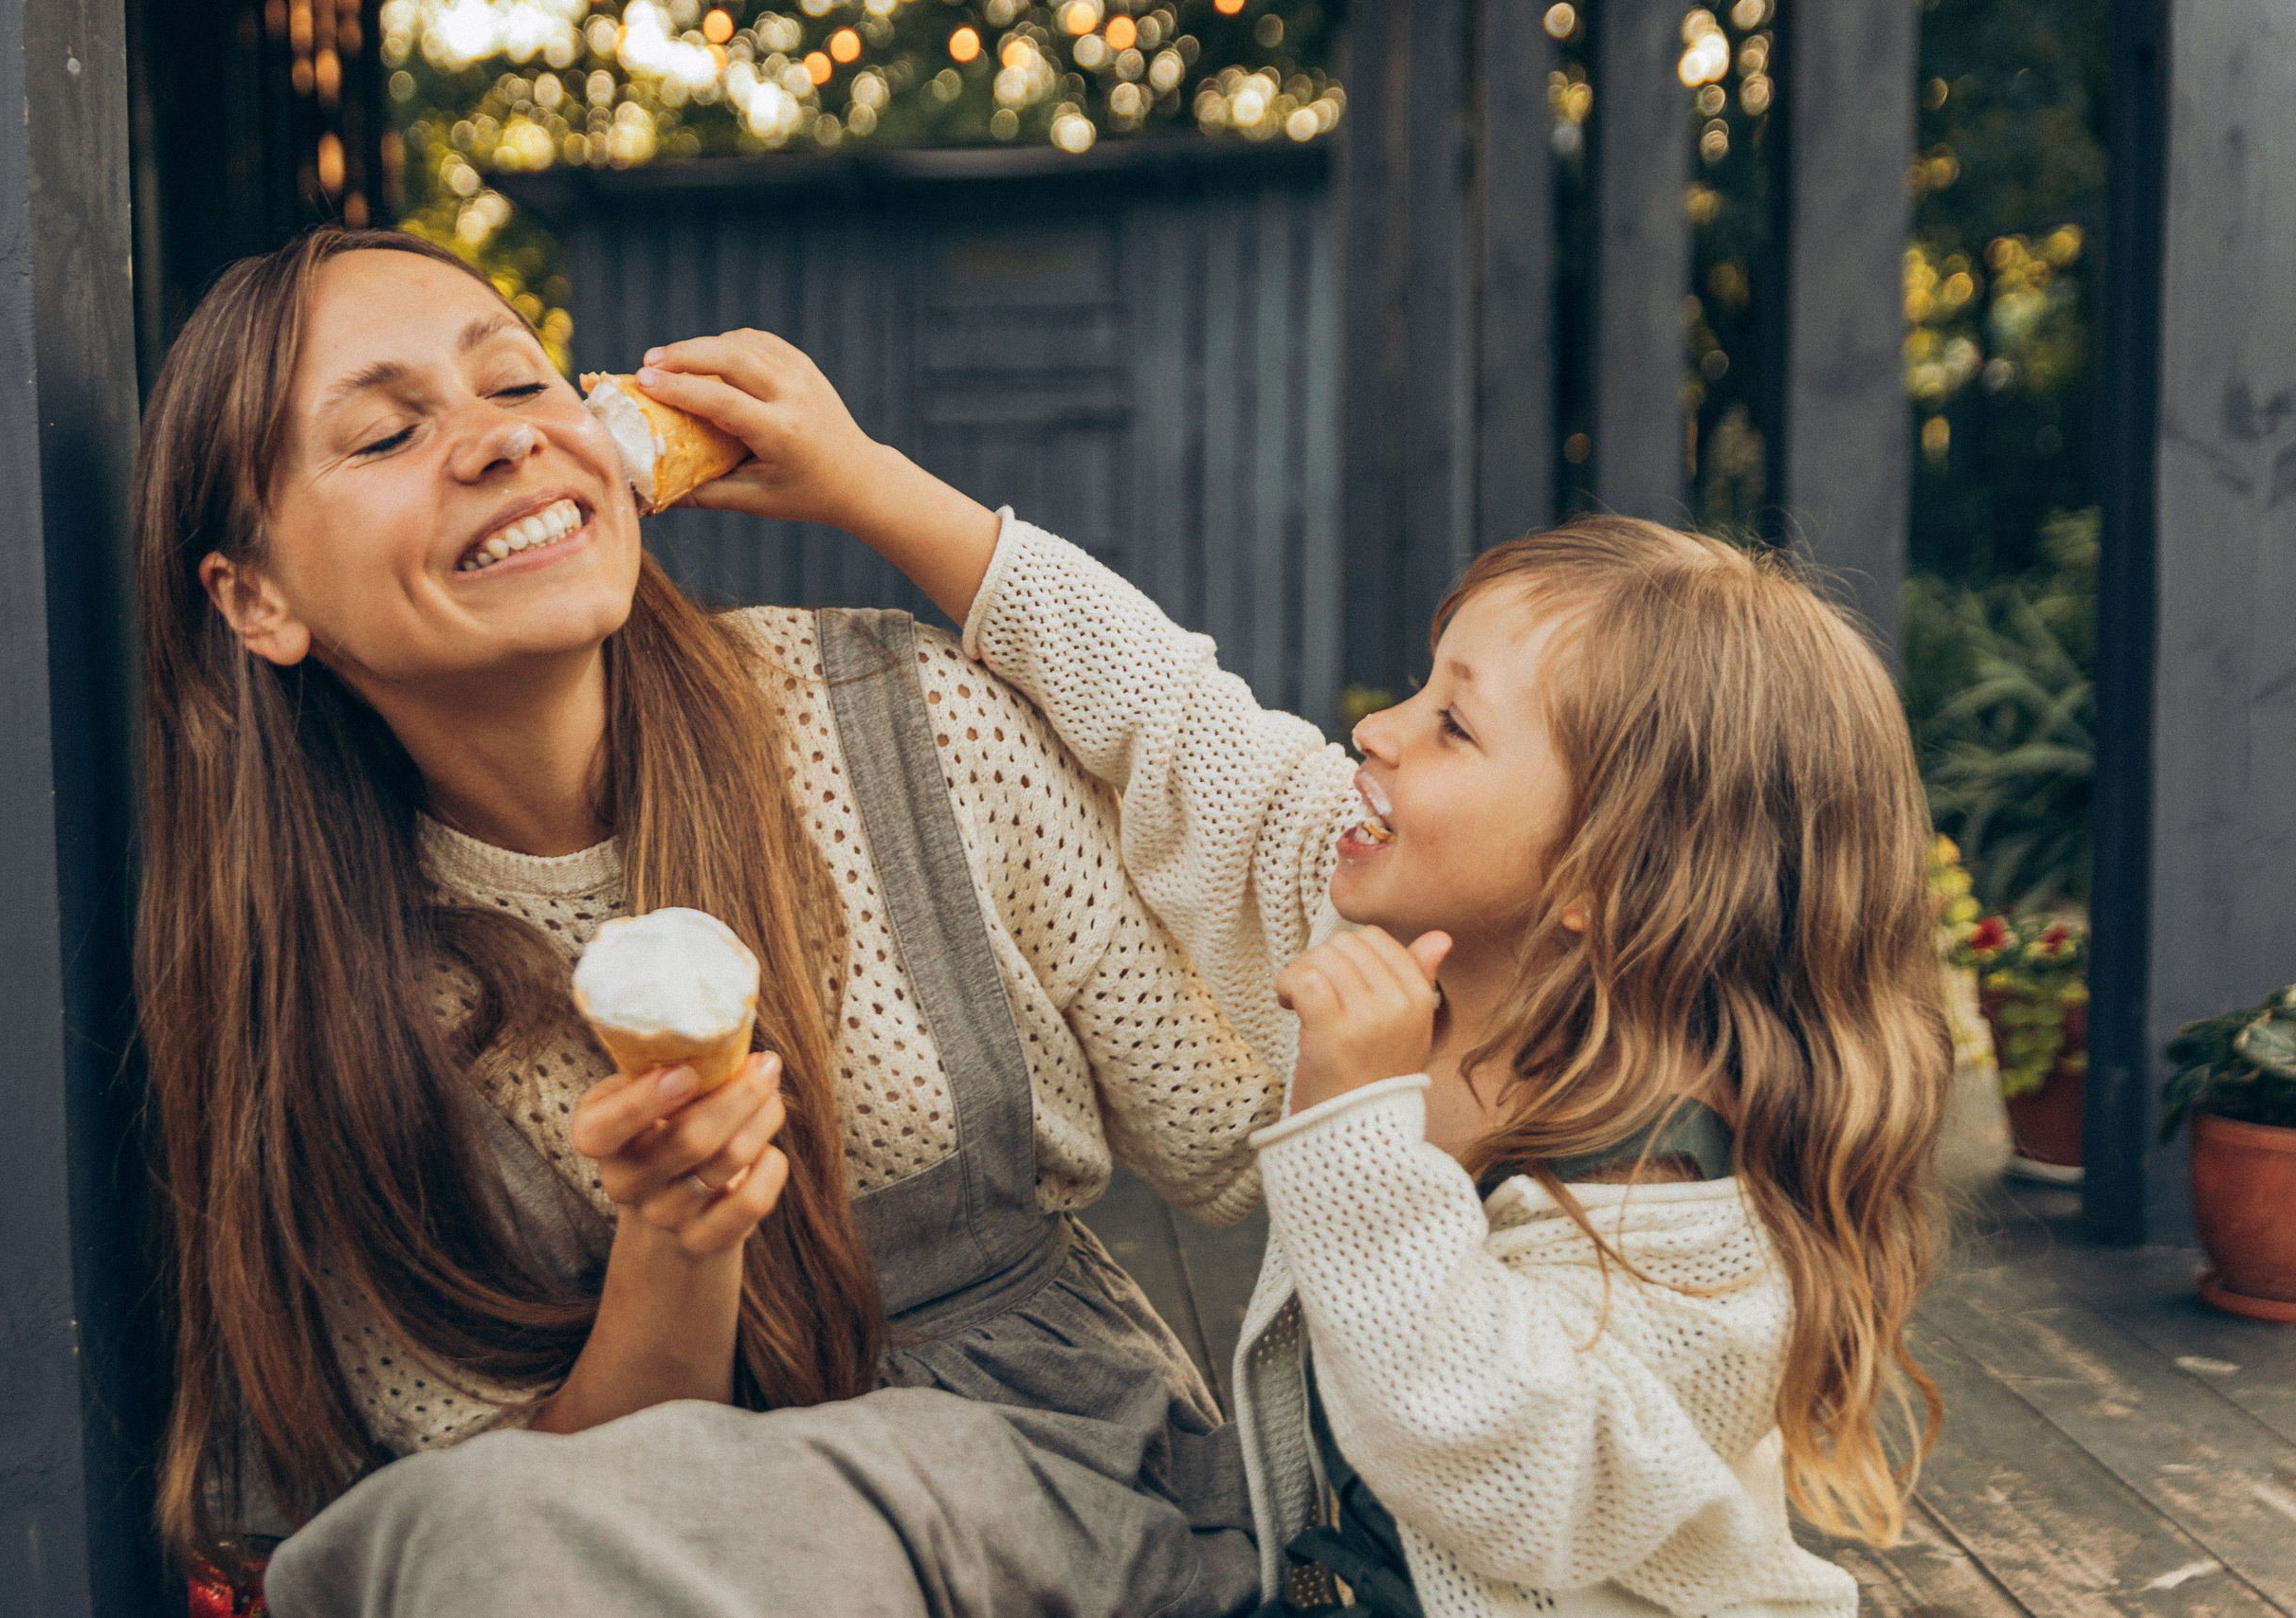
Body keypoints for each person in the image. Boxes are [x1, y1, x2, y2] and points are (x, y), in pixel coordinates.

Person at [654, 336, 1951, 1618]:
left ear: (1604, 879)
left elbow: (1496, 1471)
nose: (1378, 731)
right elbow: (1167, 711)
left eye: (1454, 724)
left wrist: (1355, 1131)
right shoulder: (1372, 911)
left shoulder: (1688, 1225)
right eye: (1416, 689)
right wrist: (866, 482)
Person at [133, 226, 1285, 1618]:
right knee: (446, 1529)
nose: (500, 444)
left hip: (1070, 1507)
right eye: (385, 435)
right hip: (665, 1557)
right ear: (255, 598)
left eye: (517, 383)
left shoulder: (902, 725)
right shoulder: (326, 1013)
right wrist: (679, 1247)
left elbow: (1254, 1143)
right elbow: (545, 1539)